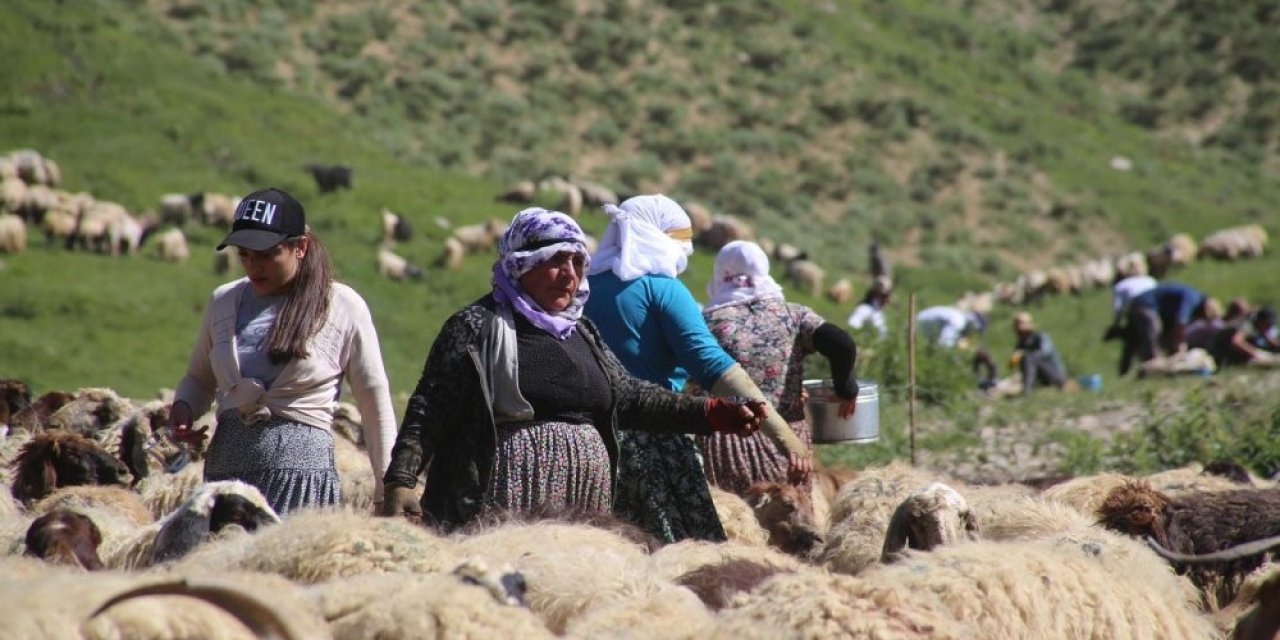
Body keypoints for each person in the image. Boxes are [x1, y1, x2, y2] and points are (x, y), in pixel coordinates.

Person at [378, 208, 764, 530]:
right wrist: (401, 481)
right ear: (520, 265)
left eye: (577, 262)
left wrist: (710, 413)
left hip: (582, 508)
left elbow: (628, 396)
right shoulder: (477, 326)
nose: (569, 274)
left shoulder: (582, 331)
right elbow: (430, 408)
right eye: (555, 261)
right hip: (502, 504)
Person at [583, 194, 808, 544]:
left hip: (588, 441)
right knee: (683, 547)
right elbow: (713, 367)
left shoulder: (583, 288)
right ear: (655, 237)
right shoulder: (662, 290)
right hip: (651, 442)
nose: (685, 253)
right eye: (680, 242)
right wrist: (786, 439)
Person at [168, 187, 397, 515]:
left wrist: (387, 484)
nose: (252, 265)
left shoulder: (341, 306)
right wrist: (184, 406)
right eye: (244, 254)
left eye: (266, 254)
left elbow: (374, 400)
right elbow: (199, 378)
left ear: (299, 247)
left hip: (301, 485)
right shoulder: (224, 301)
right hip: (225, 482)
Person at [697, 241, 858, 496]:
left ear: (720, 273)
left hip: (728, 443)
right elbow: (843, 344)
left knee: (736, 526)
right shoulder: (793, 316)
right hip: (787, 447)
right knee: (792, 525)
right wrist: (846, 389)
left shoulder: (705, 322)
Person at [1010, 312, 1068, 394]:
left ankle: (1027, 391)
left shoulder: (1040, 337)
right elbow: (1013, 364)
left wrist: (1027, 355)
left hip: (1055, 375)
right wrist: (1015, 358)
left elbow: (1045, 351)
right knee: (1025, 358)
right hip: (1042, 378)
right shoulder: (1020, 344)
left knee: (1028, 358)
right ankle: (1030, 387)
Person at [1210, 306, 1279, 368]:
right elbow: (1235, 342)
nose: (1269, 327)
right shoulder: (1246, 324)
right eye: (1268, 324)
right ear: (1261, 321)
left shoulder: (1258, 325)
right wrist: (1256, 353)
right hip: (1224, 355)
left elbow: (1267, 338)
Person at [915, 305, 986, 349]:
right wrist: (958, 347)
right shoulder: (958, 322)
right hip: (915, 330)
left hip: (917, 329)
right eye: (974, 331)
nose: (971, 334)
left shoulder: (958, 315)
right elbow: (943, 344)